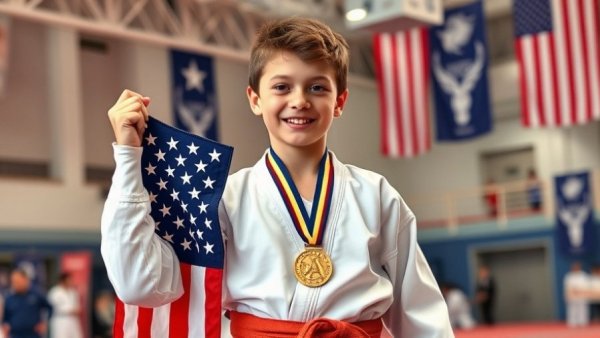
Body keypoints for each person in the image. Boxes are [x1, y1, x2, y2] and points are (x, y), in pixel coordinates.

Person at [101, 17, 453, 337]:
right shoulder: (225, 198)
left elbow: (419, 312)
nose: (299, 101)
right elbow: (141, 285)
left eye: (317, 88)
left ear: (340, 101)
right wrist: (128, 158)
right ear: (255, 99)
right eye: (282, 87)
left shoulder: (376, 195)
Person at [1, 268, 52, 338]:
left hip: (33, 334)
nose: (15, 284)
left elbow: (50, 308)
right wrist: (5, 326)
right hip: (15, 335)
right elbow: (5, 317)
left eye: (17, 281)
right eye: (13, 282)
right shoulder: (9, 298)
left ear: (25, 280)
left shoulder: (36, 294)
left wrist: (45, 322)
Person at [47, 272, 82, 338]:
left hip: (73, 320)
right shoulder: (55, 292)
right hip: (60, 319)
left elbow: (76, 305)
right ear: (63, 281)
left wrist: (77, 310)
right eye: (69, 280)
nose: (71, 282)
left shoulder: (73, 292)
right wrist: (69, 311)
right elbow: (51, 307)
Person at [564, 261, 590, 327]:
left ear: (579, 267)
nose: (575, 268)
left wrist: (581, 290)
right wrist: (567, 295)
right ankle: (572, 323)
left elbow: (587, 285)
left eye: (577, 267)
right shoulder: (569, 276)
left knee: (582, 309)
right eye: (574, 267)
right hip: (572, 296)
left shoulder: (583, 275)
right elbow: (567, 287)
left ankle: (583, 322)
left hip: (582, 295)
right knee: (572, 309)